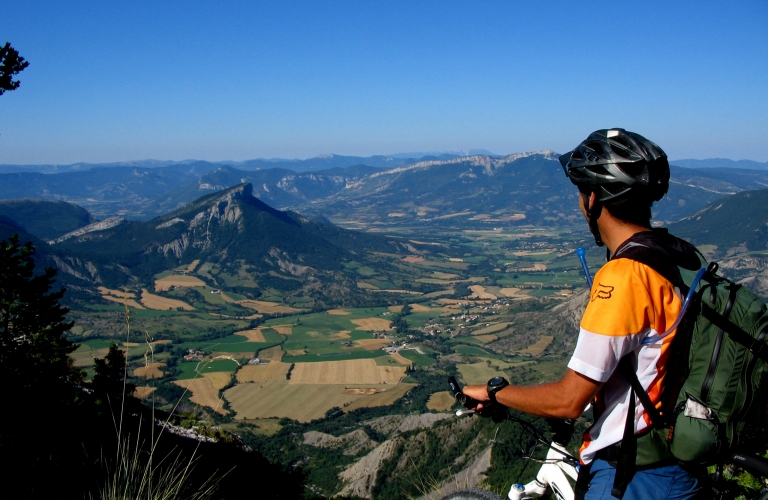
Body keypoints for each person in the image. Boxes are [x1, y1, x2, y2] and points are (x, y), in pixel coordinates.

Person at [461, 129, 705, 499]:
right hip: (678, 463)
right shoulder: (677, 257)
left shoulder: (625, 275)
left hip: (635, 473)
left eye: (580, 193)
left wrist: (496, 393)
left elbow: (568, 399)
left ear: (592, 199)